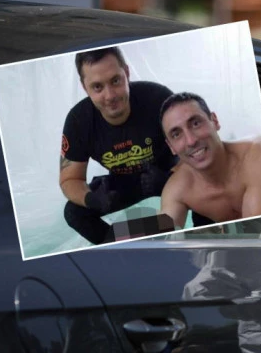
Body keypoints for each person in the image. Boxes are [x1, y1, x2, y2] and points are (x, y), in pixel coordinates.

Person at [58, 46, 210, 244]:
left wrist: (172, 178)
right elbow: (69, 179)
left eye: (115, 81)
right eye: (97, 87)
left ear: (127, 73)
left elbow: (194, 149)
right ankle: (125, 244)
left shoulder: (159, 99)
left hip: (167, 173)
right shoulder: (78, 121)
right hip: (122, 184)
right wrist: (91, 199)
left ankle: (203, 241)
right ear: (85, 87)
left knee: (207, 182)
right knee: (74, 212)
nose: (110, 96)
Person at [159, 92, 261, 228]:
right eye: (176, 134)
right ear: (171, 146)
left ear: (214, 121)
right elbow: (159, 232)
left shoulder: (258, 155)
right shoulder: (177, 189)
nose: (191, 141)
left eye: (196, 123)